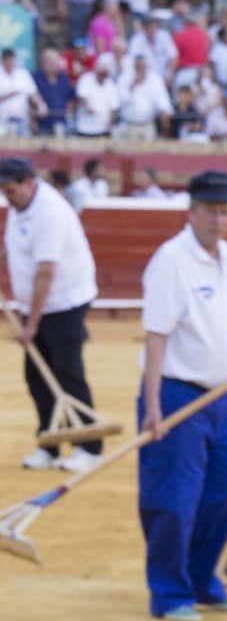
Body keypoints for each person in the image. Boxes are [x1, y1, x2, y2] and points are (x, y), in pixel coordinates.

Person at [136, 170, 227, 621]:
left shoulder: (225, 256)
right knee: (174, 499)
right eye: (210, 212)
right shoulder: (171, 261)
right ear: (193, 211)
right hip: (177, 394)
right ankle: (168, 592)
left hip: (218, 396)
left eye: (225, 212)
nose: (219, 221)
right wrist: (154, 405)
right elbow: (155, 337)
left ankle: (202, 580)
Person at [1, 156, 103, 472]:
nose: (7, 197)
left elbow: (46, 273)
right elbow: (14, 246)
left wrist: (31, 324)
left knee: (66, 371)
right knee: (37, 376)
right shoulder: (22, 204)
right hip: (39, 304)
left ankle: (89, 447)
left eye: (11, 191)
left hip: (65, 302)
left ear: (29, 183)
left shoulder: (51, 213)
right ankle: (49, 445)